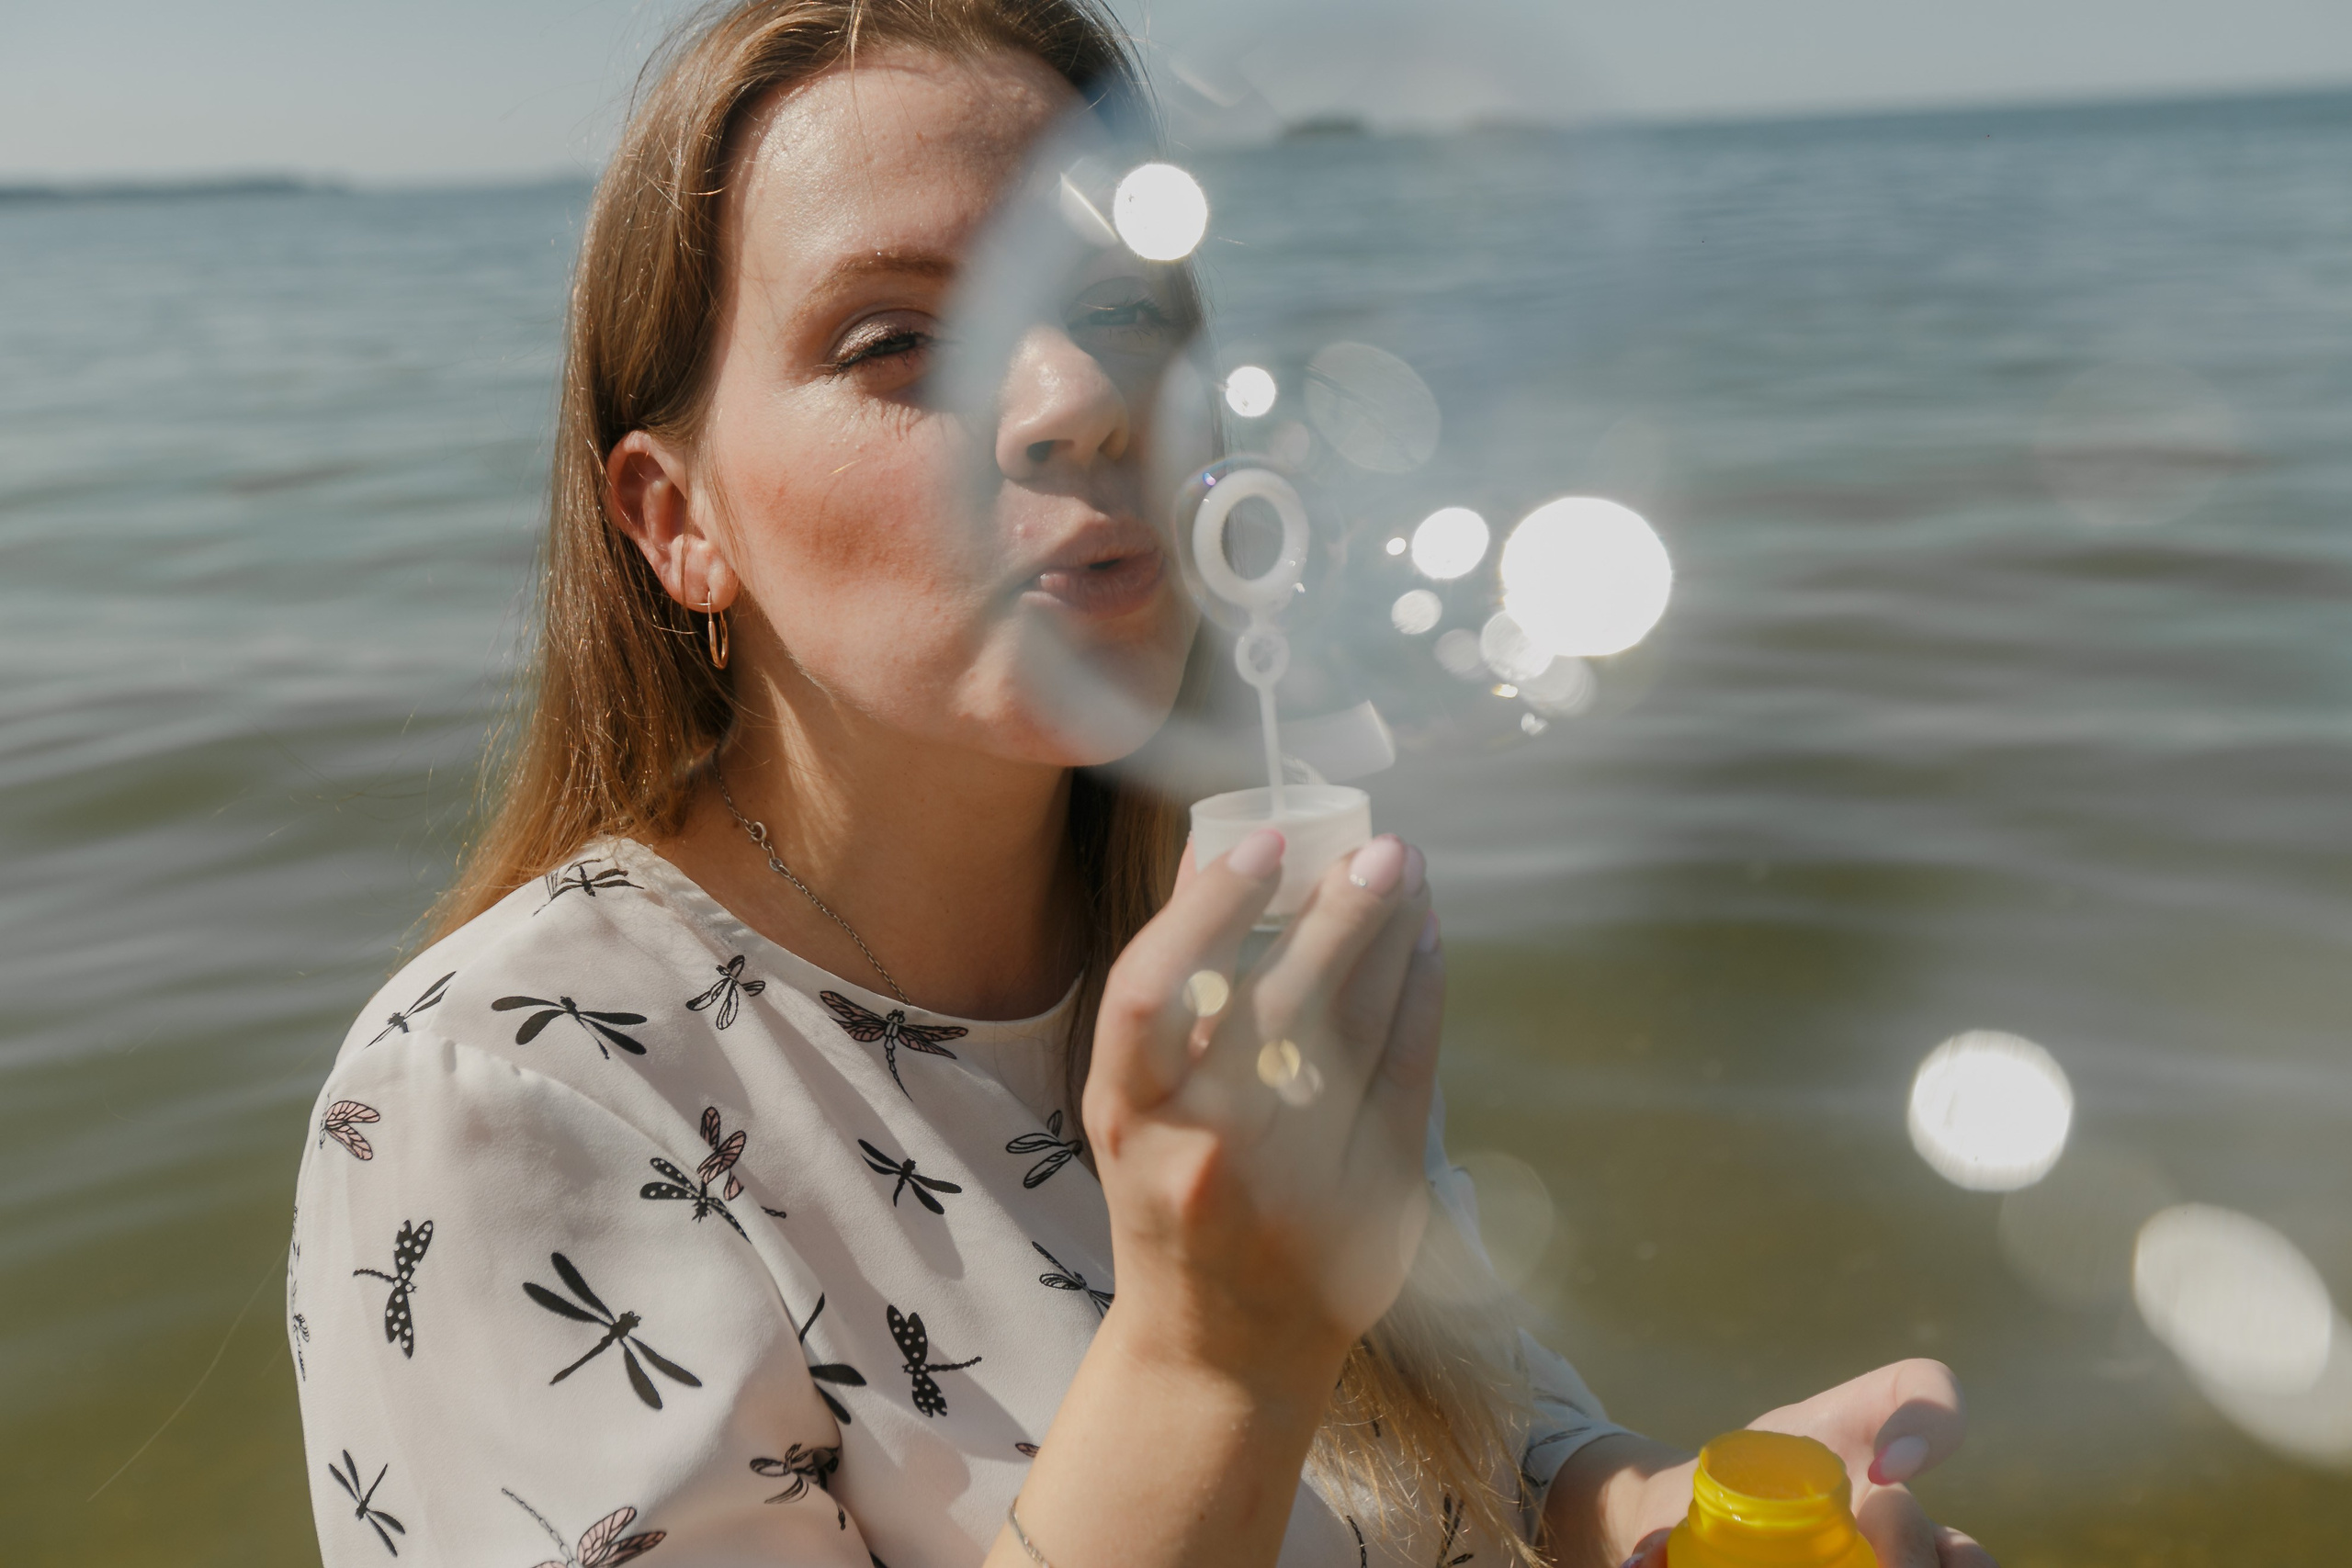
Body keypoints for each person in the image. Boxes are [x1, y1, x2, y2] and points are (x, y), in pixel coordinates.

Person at [286, 4, 1996, 1565]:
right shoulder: (509, 1098)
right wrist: (1207, 1357)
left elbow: (1483, 1439)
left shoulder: (1233, 915)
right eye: (895, 339)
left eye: (1118, 310)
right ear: (679, 523)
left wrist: (1648, 1517)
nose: (1080, 398)